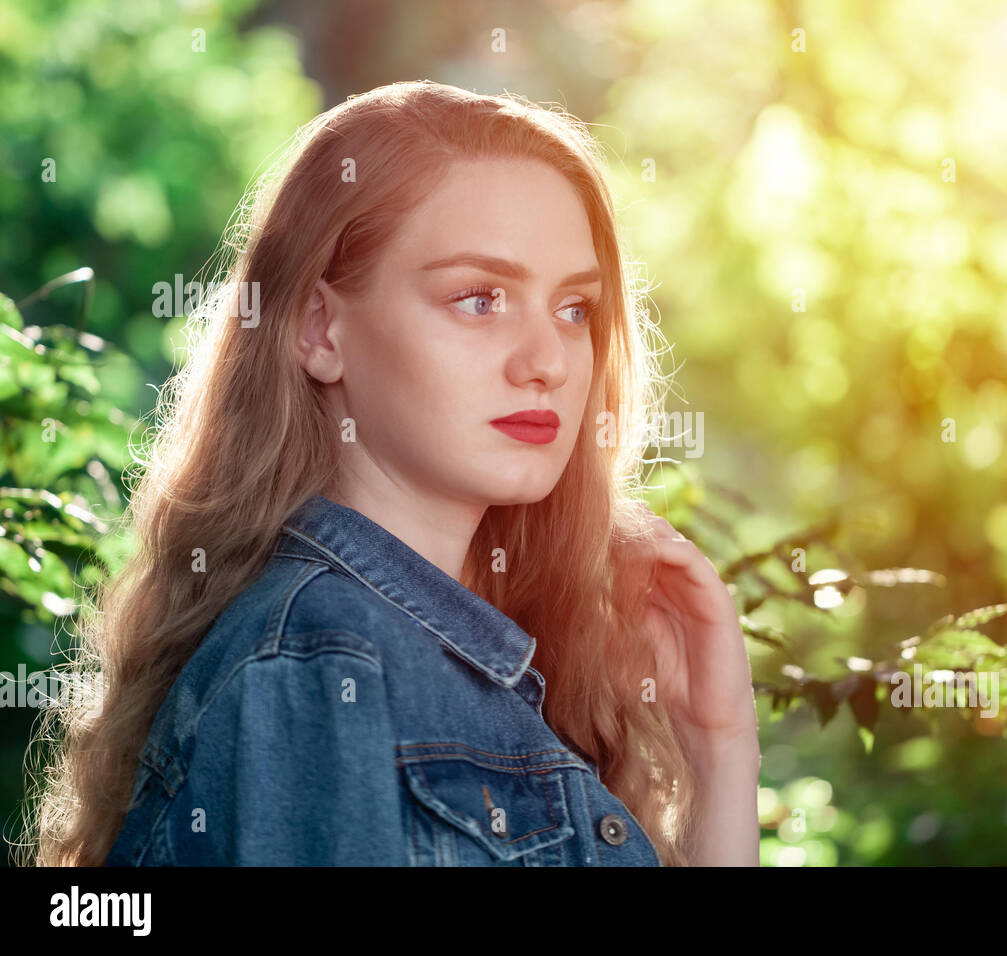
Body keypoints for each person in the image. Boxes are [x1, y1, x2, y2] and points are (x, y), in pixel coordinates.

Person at [22, 80, 760, 867]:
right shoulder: (325, 672)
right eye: (479, 298)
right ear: (320, 328)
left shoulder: (458, 660)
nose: (547, 361)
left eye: (575, 309)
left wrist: (718, 749)